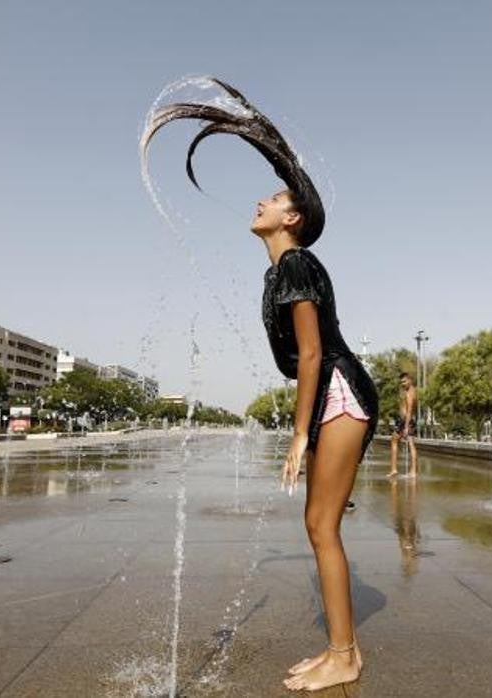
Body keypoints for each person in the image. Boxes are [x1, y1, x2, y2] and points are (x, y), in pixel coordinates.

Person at [144, 78, 379, 692]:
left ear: (291, 218)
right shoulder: (278, 272)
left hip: (340, 392)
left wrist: (299, 435)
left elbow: (310, 355)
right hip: (332, 390)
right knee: (318, 524)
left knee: (321, 526)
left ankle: (345, 655)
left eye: (272, 199)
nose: (260, 203)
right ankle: (339, 648)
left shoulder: (296, 264)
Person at [388, 372, 419, 478]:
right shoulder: (409, 391)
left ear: (410, 380)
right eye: (401, 382)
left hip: (407, 421)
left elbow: (409, 410)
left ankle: (412, 471)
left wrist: (406, 427)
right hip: (403, 420)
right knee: (395, 440)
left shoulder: (411, 393)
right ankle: (395, 469)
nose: (403, 384)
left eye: (404, 381)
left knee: (410, 444)